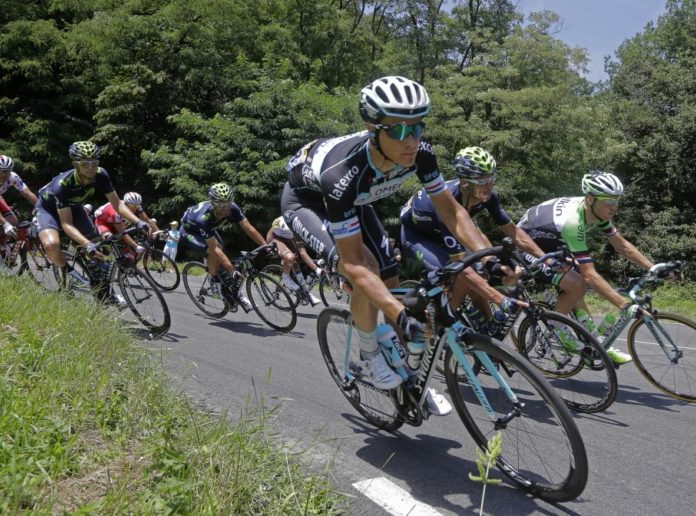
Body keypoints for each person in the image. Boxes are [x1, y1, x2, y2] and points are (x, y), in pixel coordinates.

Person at [281, 76, 497, 416]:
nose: (411, 140)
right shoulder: (342, 175)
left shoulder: (421, 153)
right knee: (366, 269)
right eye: (398, 130)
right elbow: (354, 263)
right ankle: (369, 354)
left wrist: (487, 256)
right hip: (309, 202)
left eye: (418, 128)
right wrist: (400, 314)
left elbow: (453, 212)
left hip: (357, 201)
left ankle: (409, 378)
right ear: (373, 129)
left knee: (391, 279)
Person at [399, 146, 585, 329]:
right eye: (482, 181)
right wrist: (499, 299)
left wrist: (548, 260)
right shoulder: (447, 204)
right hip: (418, 236)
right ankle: (445, 325)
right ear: (465, 183)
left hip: (450, 229)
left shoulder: (488, 197)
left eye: (492, 179)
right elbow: (462, 268)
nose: (489, 186)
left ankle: (487, 331)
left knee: (482, 271)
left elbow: (514, 233)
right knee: (460, 273)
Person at [518, 171, 675, 365]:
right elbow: (590, 276)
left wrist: (653, 268)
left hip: (550, 240)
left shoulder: (597, 211)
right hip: (526, 245)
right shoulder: (573, 223)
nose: (613, 207)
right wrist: (625, 305)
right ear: (591, 199)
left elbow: (622, 246)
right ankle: (556, 325)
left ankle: (593, 342)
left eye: (616, 201)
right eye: (608, 201)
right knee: (578, 282)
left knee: (579, 280)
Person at [35, 141, 149, 281]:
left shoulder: (101, 175)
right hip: (48, 209)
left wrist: (138, 222)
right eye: (85, 164)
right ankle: (68, 271)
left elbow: (117, 204)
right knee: (52, 245)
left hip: (73, 206)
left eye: (94, 163)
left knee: (99, 249)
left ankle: (101, 285)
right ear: (75, 164)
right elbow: (66, 224)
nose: (91, 168)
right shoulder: (63, 185)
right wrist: (86, 243)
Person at [179, 182, 267, 311]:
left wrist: (265, 245)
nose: (225, 209)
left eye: (228, 203)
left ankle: (230, 289)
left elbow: (248, 228)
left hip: (207, 229)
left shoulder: (233, 208)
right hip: (189, 232)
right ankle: (214, 280)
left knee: (220, 249)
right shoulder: (203, 218)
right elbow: (214, 249)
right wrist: (231, 270)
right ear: (213, 203)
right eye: (221, 205)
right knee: (213, 252)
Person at [0, 155, 39, 274]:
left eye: (7, 171)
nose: (3, 174)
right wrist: (4, 224)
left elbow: (27, 193)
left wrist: (41, 209)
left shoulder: (13, 177)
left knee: (14, 223)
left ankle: (2, 246)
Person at [267, 216, 322, 305]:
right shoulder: (293, 225)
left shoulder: (299, 228)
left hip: (288, 237)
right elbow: (303, 254)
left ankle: (305, 293)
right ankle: (285, 278)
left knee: (296, 263)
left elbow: (303, 252)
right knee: (290, 257)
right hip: (274, 237)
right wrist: (316, 269)